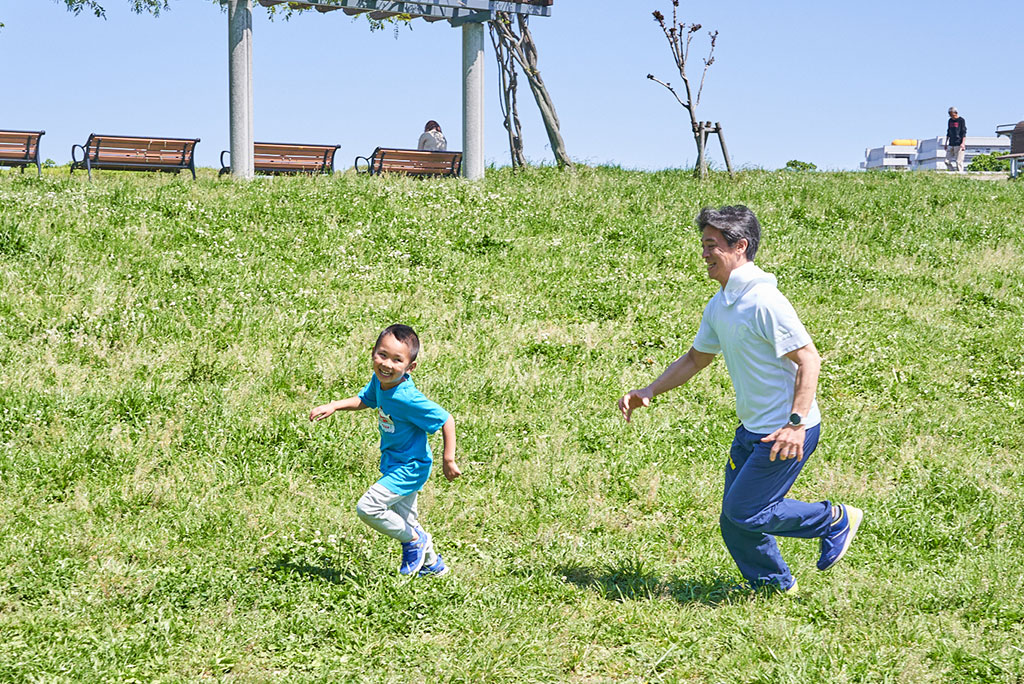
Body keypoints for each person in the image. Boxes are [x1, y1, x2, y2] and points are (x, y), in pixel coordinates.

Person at [618, 205, 863, 594]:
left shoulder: (765, 301)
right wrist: (649, 390)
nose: (704, 254)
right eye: (703, 244)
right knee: (734, 521)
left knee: (746, 510)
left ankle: (831, 519)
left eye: (711, 245)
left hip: (786, 430)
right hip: (753, 430)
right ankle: (774, 587)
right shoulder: (720, 305)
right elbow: (697, 358)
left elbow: (809, 359)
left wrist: (795, 425)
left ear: (740, 246)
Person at [310, 324, 460, 577]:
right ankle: (433, 566)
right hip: (394, 462)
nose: (387, 364)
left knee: (368, 508)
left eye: (397, 360)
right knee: (407, 520)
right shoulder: (380, 383)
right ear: (373, 353)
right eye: (382, 355)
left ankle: (413, 541)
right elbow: (366, 400)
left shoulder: (408, 398)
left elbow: (446, 419)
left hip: (410, 467)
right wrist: (335, 405)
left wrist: (449, 459)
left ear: (410, 367)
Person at [945, 107, 967, 173]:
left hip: (959, 143)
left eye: (953, 115)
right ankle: (952, 172)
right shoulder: (950, 121)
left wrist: (963, 143)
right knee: (946, 161)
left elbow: (963, 132)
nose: (952, 117)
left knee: (958, 162)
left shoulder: (961, 120)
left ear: (956, 113)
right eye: (950, 115)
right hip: (951, 143)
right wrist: (946, 143)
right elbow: (948, 132)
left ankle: (960, 174)